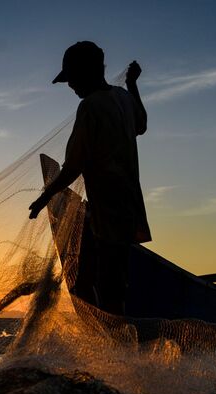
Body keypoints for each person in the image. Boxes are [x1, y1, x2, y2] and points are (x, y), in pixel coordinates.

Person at [29, 41, 151, 315]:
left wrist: (44, 197)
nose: (70, 86)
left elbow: (73, 167)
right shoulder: (122, 98)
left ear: (86, 72)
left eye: (71, 78)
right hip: (129, 206)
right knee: (116, 279)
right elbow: (141, 124)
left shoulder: (90, 107)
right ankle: (117, 337)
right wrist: (132, 84)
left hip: (107, 208)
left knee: (107, 283)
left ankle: (114, 344)